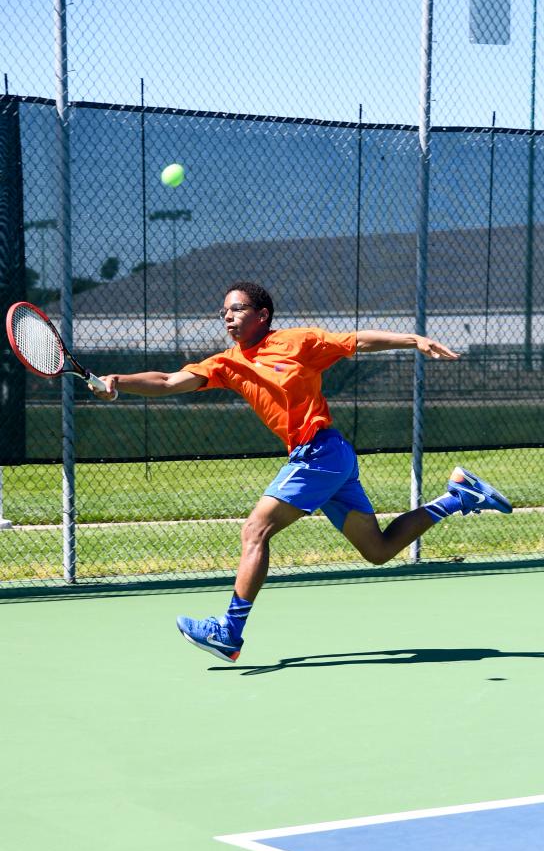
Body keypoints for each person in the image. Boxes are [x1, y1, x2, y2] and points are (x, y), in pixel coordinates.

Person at [91, 281, 512, 662]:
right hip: (328, 459)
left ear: (262, 315)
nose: (228, 318)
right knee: (378, 551)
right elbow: (167, 381)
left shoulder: (298, 342)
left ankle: (229, 632)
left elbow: (356, 342)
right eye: (223, 312)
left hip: (320, 453)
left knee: (255, 530)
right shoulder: (227, 363)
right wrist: (118, 380)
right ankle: (459, 496)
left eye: (236, 310)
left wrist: (411, 339)